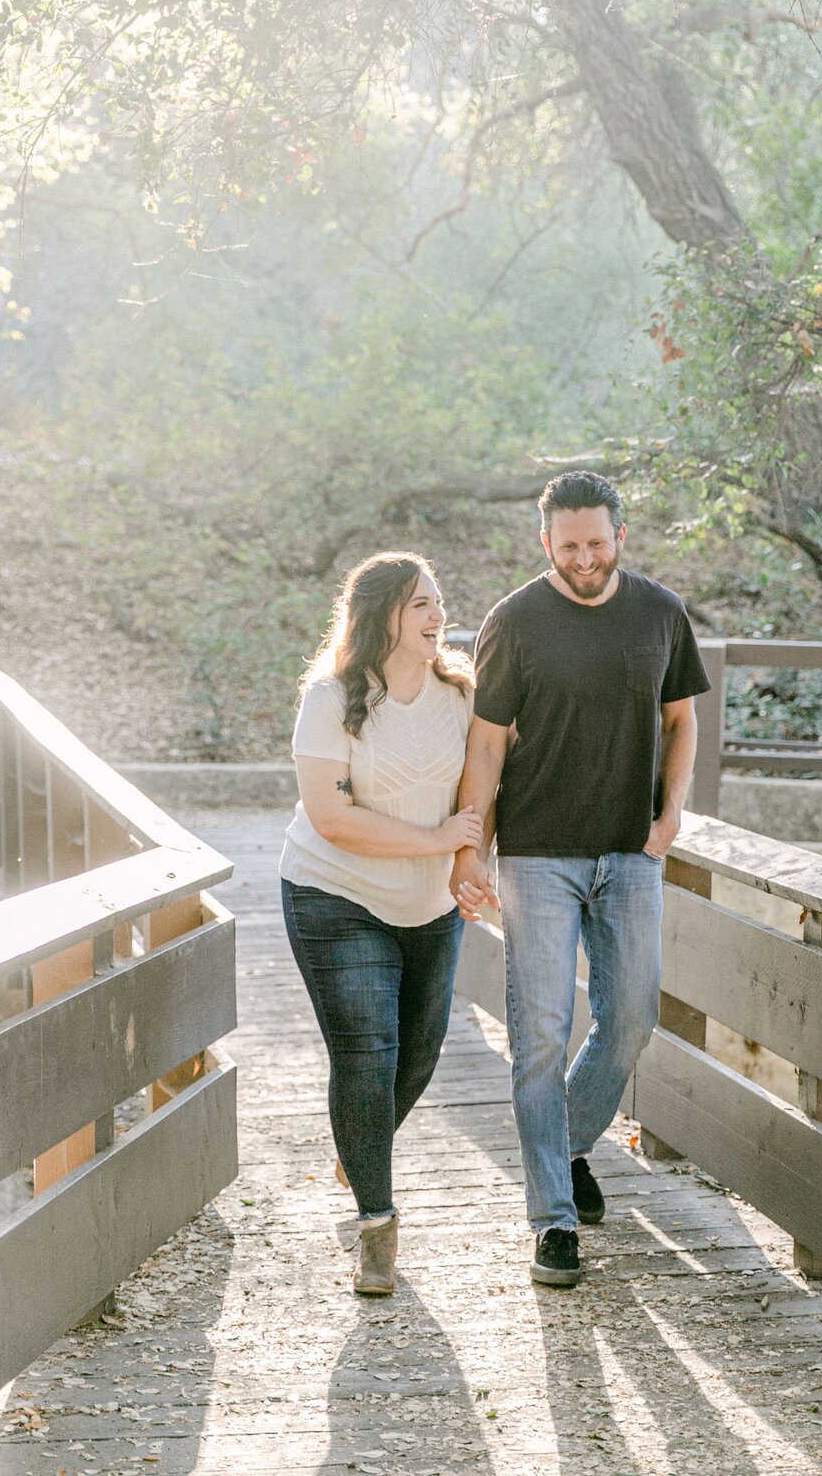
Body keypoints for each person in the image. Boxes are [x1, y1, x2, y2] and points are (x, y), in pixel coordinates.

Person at [449, 471, 709, 1288]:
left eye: (598, 544)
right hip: (538, 852)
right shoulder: (515, 621)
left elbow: (681, 720)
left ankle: (562, 1145)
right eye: (569, 547)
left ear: (620, 536)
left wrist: (670, 818)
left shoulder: (660, 614)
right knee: (540, 1031)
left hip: (630, 850)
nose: (585, 560)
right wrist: (472, 847)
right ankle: (553, 1220)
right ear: (545, 543)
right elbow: (487, 744)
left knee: (633, 1014)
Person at [279, 552, 483, 1297]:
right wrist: (440, 842)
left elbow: (482, 789)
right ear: (381, 617)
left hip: (427, 905)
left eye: (438, 602)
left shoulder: (461, 694)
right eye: (420, 605)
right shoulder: (332, 697)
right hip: (334, 894)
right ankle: (375, 1226)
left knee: (419, 1056)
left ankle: (355, 1151)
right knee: (368, 1050)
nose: (438, 617)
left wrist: (467, 860)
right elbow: (332, 818)